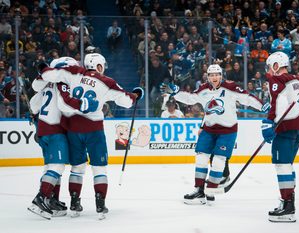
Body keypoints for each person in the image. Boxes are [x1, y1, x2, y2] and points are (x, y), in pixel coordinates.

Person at [38, 53, 144, 219]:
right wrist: (136, 95)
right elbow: (127, 101)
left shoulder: (74, 72)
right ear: (100, 66)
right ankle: (100, 205)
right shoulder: (107, 82)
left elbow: (49, 74)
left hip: (73, 129)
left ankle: (74, 203)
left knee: (77, 168)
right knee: (99, 168)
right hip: (94, 131)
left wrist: (43, 68)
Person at [160, 64, 263, 205]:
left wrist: (263, 105)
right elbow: (190, 98)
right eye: (211, 75)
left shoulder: (231, 88)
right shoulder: (203, 89)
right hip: (208, 129)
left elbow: (248, 98)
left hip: (227, 130)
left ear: (221, 75)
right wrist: (176, 92)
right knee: (201, 158)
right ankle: (199, 191)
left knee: (219, 160)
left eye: (217, 74)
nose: (214, 77)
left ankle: (211, 189)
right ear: (207, 77)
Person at [28, 57, 98, 220]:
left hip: (44, 129)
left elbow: (33, 105)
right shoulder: (63, 83)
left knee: (50, 166)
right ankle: (41, 197)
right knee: (57, 167)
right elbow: (64, 107)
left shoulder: (47, 85)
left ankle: (52, 200)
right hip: (55, 130)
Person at [262, 51, 299, 222]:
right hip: (298, 129)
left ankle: (288, 207)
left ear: (276, 66)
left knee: (282, 165)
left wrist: (269, 122)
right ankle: (287, 201)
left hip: (286, 129)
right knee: (288, 165)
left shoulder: (276, 80)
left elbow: (277, 103)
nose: (268, 71)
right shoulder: (297, 81)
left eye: (270, 67)